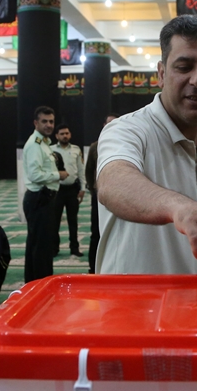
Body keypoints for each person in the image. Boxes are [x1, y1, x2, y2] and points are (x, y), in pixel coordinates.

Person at [95, 15, 197, 274]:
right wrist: (181, 209)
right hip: (133, 298)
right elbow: (112, 182)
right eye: (184, 67)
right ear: (161, 74)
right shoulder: (127, 129)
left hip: (195, 296)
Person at [23, 106, 69, 282]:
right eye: (44, 121)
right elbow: (34, 175)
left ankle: (34, 284)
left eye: (51, 121)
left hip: (44, 199)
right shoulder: (35, 145)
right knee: (41, 248)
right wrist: (58, 175)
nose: (49, 125)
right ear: (36, 123)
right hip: (39, 199)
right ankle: (41, 285)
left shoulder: (44, 143)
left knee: (38, 245)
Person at [85, 113, 118, 274]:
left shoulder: (126, 145)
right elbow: (89, 171)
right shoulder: (95, 147)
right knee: (96, 233)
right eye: (108, 123)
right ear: (103, 125)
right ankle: (93, 268)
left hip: (119, 198)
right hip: (98, 197)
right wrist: (95, 191)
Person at [51, 124, 86, 257]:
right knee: (55, 221)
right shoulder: (51, 150)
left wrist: (83, 188)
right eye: (62, 134)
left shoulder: (76, 150)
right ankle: (54, 248)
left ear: (70, 134)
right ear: (57, 136)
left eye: (67, 133)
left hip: (72, 190)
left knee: (73, 221)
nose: (65, 136)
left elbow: (81, 170)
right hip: (57, 190)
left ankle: (74, 248)